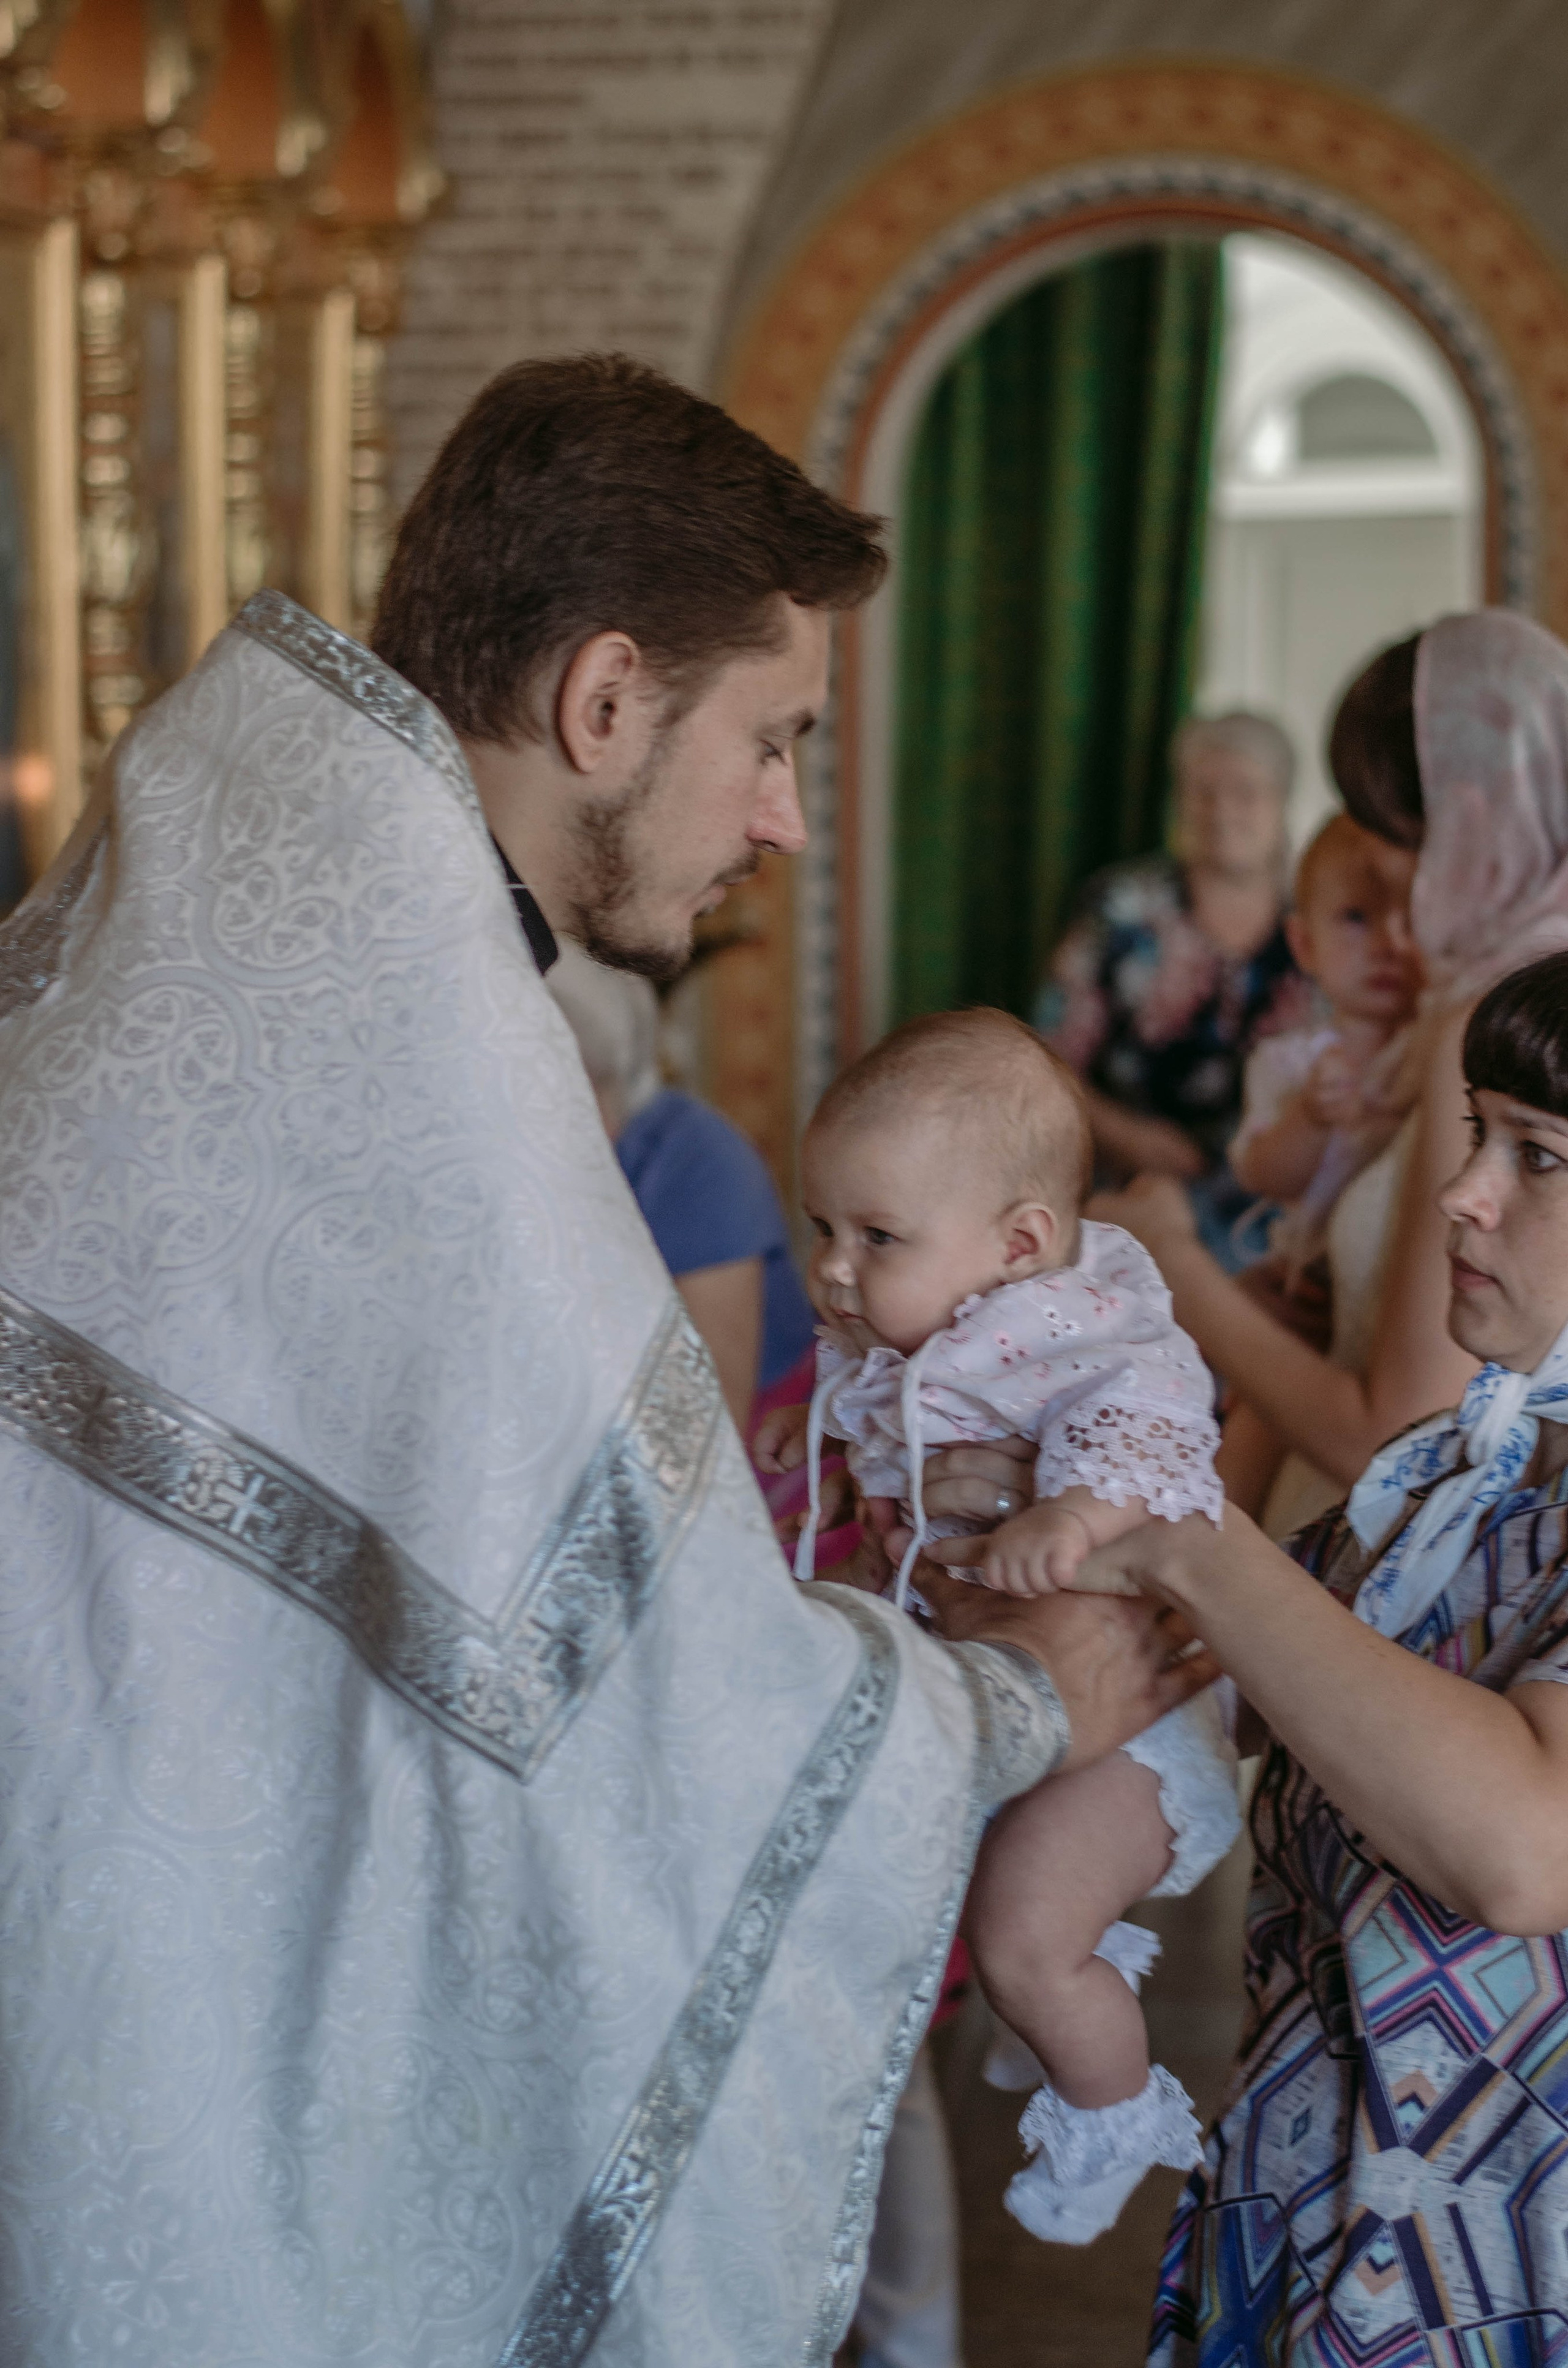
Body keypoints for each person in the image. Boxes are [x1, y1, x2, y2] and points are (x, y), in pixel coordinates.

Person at [0, 355, 1213, 2367]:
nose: (788, 822)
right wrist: (1013, 1699)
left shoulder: (206, 918)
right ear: (607, 697)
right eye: (773, 741)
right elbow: (656, 1710)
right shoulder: (419, 1046)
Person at [1037, 949, 1568, 2363]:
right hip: (1316, 2225)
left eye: (1536, 1156)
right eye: (1473, 1132)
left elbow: (1523, 1844)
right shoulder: (1459, 1484)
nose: (1462, 1194)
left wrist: (1191, 1543)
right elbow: (1190, 1660)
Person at [756, 1008, 1239, 2247]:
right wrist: (796, 1414)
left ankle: (1112, 2105)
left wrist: (1075, 1513)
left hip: (1129, 1710)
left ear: (1020, 1245)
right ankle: (1061, 2010)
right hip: (989, 1668)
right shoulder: (913, 1318)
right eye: (823, 1230)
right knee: (941, 1917)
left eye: (875, 1237)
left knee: (1023, 1941)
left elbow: (1156, 1416)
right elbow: (869, 1390)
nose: (835, 1271)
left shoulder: (1080, 1328)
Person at [1096, 611, 1568, 1537]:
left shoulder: (1490, 1019)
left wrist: (1179, 1266)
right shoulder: (1478, 1003)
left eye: (1383, 831)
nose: (1390, 896)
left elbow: (1400, 1435)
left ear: (1462, 818)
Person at [1038, 710, 1307, 1264]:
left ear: (1282, 805)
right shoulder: (1121, 907)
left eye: (1245, 792)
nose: (1222, 811)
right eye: (1203, 792)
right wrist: (1135, 1141)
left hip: (1277, 1213)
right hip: (1129, 1192)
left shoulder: (1321, 923)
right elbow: (1045, 1062)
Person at [1219, 812, 1422, 1510]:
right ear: (1303, 943)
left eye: (1411, 914)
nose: (1391, 943)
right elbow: (1260, 1174)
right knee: (1260, 1426)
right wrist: (1306, 1120)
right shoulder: (1291, 1061)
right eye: (1357, 919)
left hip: (1386, 1294)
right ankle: (1182, 1587)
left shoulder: (1434, 1049)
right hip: (1302, 1283)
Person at [546, 937, 815, 1428]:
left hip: (765, 1444)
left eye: (601, 1086)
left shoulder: (696, 1160)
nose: (596, 1123)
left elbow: (711, 1420)